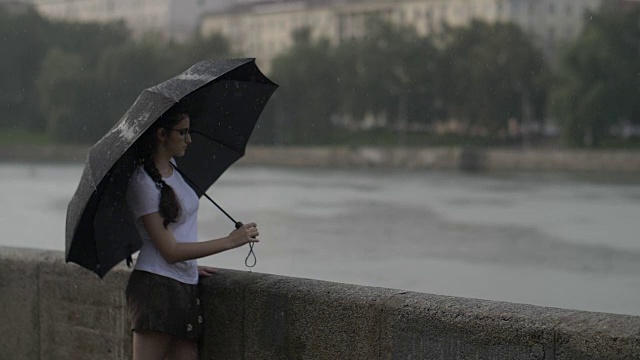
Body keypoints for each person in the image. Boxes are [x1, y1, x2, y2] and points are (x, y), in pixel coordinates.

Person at [125, 104, 259, 360]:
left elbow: (179, 236)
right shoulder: (142, 183)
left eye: (189, 131)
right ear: (162, 135)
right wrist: (230, 241)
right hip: (156, 288)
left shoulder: (175, 169)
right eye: (182, 132)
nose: (189, 139)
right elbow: (170, 251)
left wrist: (190, 266)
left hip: (184, 284)